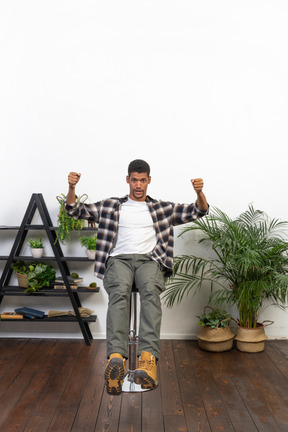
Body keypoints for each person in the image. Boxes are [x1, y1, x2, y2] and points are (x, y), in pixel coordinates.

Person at [65, 159, 209, 396]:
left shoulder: (163, 208)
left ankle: (147, 361)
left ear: (149, 180)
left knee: (151, 293)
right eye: (134, 180)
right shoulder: (111, 205)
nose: (138, 185)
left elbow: (199, 210)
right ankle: (116, 360)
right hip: (118, 259)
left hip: (150, 260)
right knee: (119, 292)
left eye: (142, 180)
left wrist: (199, 192)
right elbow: (75, 210)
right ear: (127, 180)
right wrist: (72, 189)